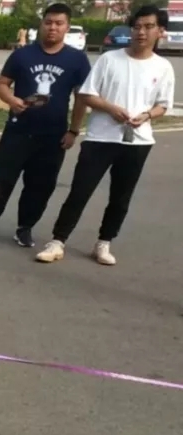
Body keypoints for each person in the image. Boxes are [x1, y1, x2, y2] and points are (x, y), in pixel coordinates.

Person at [36, 5, 175, 266]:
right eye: (137, 27)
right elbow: (87, 94)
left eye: (148, 27)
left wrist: (146, 115)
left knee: (121, 197)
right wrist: (111, 109)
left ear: (160, 31)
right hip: (100, 138)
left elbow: (163, 105)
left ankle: (104, 242)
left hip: (137, 141)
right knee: (80, 191)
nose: (141, 32)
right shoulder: (110, 59)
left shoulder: (163, 67)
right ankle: (57, 241)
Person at [0, 3, 91, 248]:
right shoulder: (22, 55)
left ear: (67, 27)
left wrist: (73, 130)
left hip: (53, 136)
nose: (52, 28)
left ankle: (25, 227)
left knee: (41, 185)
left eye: (59, 23)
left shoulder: (77, 60)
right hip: (17, 130)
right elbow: (2, 84)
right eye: (48, 22)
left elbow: (81, 98)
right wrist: (12, 100)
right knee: (0, 178)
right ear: (41, 25)